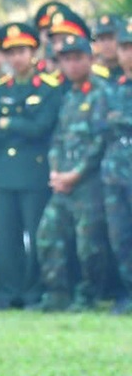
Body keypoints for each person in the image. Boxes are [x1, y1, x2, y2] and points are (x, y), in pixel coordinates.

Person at [0, 23, 61, 309]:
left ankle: (33, 290)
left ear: (33, 52)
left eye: (22, 51)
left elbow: (42, 127)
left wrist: (10, 123)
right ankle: (9, 290)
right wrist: (17, 125)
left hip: (33, 171)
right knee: (6, 236)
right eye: (11, 52)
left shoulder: (48, 88)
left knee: (35, 233)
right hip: (3, 172)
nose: (17, 58)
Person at [35, 32, 112, 311]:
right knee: (47, 234)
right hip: (63, 184)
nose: (72, 65)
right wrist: (56, 172)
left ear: (90, 59)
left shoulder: (103, 94)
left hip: (88, 184)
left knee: (88, 244)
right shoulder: (68, 96)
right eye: (65, 60)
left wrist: (75, 174)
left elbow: (100, 142)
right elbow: (57, 138)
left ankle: (88, 296)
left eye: (78, 58)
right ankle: (56, 293)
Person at [102, 19, 132, 313]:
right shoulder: (111, 87)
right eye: (124, 47)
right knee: (120, 235)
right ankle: (127, 292)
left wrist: (120, 120)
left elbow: (113, 121)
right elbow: (98, 125)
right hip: (115, 171)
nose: (129, 53)